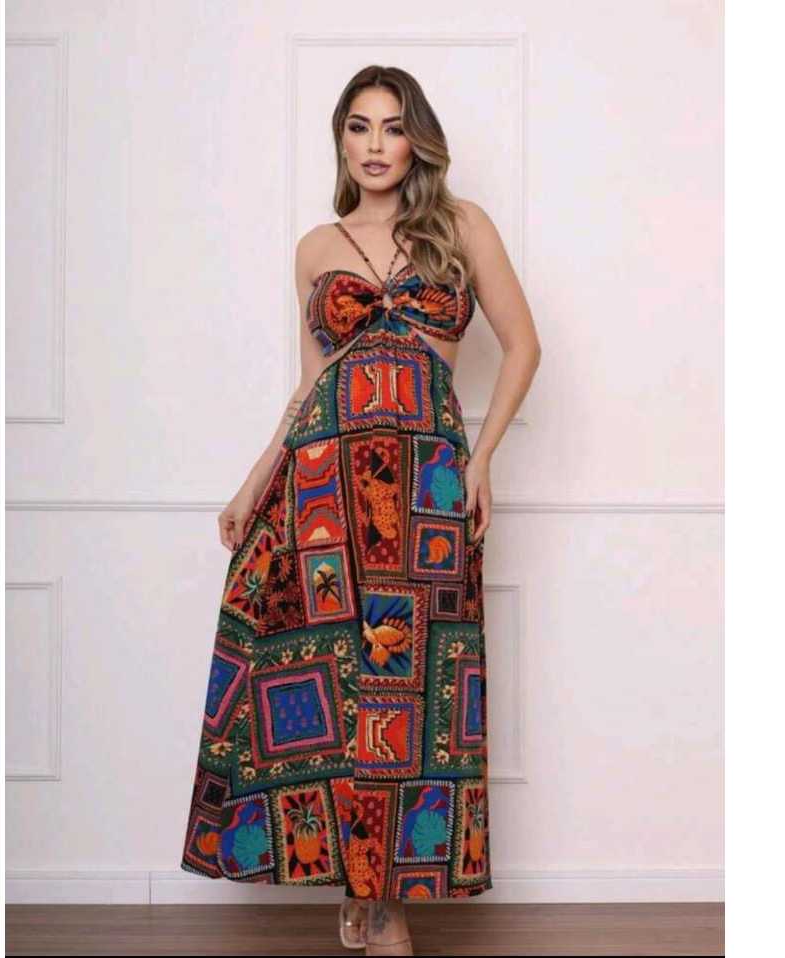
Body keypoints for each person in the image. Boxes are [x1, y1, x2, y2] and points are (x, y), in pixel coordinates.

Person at [180, 65, 541, 957]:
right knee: (336, 691)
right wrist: (255, 480)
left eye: (392, 127)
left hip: (426, 488)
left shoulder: (461, 227)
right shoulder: (315, 247)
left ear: (417, 140)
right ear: (340, 139)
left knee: (410, 693)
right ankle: (366, 896)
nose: (375, 145)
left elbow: (525, 346)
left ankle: (385, 900)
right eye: (358, 127)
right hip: (323, 489)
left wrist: (481, 460)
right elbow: (311, 383)